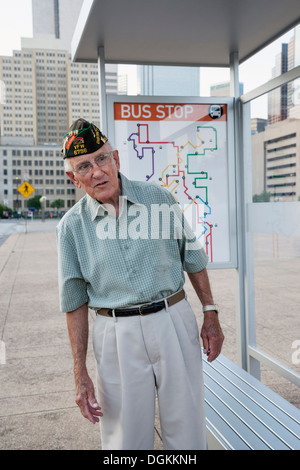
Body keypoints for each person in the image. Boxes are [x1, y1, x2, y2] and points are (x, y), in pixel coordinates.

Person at [56, 118, 224, 450]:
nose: (97, 171)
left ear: (116, 159)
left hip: (172, 321)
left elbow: (193, 258)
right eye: (84, 166)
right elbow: (73, 302)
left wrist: (210, 312)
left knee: (188, 426)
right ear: (73, 178)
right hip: (116, 334)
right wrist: (80, 372)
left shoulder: (159, 199)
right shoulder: (71, 228)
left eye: (102, 159)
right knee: (124, 438)